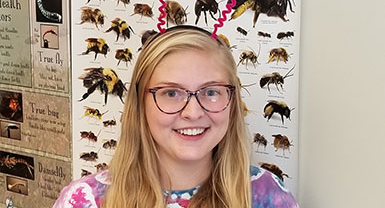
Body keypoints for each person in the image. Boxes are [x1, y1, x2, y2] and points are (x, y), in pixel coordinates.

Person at [53, 26, 298, 208]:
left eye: (211, 91)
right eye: (171, 93)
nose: (193, 112)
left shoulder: (269, 197)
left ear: (232, 102)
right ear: (140, 105)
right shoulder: (83, 200)